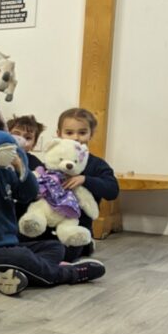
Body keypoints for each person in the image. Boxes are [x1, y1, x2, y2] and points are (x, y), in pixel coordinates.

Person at [0, 107, 105, 296]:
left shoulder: (6, 174)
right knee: (22, 256)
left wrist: (20, 166)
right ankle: (66, 273)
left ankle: (6, 277)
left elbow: (29, 193)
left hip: (9, 246)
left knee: (54, 247)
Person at [55, 107, 120, 258]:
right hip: (53, 224)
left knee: (68, 250)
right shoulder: (53, 162)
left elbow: (112, 191)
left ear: (91, 134)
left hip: (80, 227)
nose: (76, 138)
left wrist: (86, 180)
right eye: (69, 132)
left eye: (82, 133)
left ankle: (84, 249)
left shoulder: (97, 164)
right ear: (59, 134)